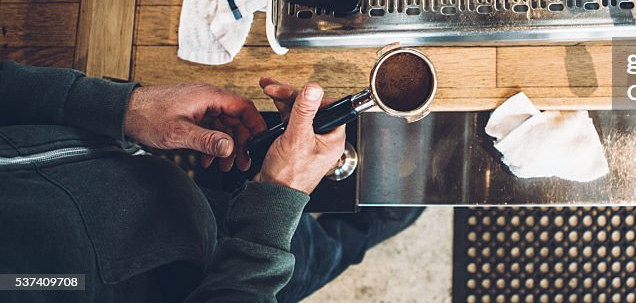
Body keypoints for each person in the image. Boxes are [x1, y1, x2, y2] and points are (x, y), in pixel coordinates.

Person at [0, 60, 422, 302]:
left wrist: (122, 107)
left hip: (163, 183)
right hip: (216, 270)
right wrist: (272, 215)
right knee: (333, 246)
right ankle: (393, 215)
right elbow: (49, 280)